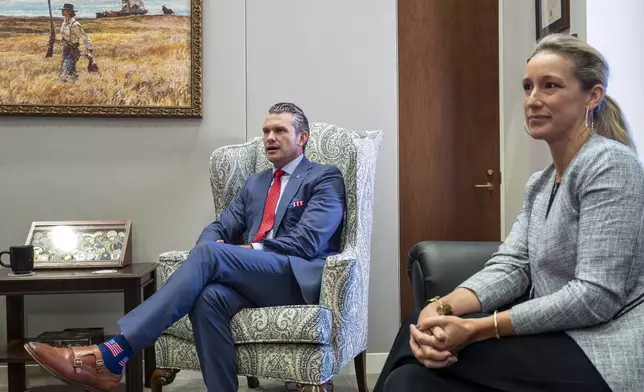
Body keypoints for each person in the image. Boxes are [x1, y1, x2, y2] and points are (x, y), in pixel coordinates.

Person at [374, 33, 644, 392]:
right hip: (554, 334)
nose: (533, 100)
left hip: (603, 346)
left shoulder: (610, 164)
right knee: (412, 371)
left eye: (550, 86)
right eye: (528, 87)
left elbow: (594, 298)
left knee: (423, 357)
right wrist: (441, 308)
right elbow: (512, 265)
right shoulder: (541, 182)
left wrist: (477, 328)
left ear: (591, 96)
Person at [24, 102, 346, 392]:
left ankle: (114, 353)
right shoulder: (256, 183)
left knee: (210, 255)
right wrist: (211, 250)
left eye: (279, 130)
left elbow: (308, 242)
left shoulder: (324, 177)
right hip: (254, 277)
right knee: (207, 298)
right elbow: (219, 227)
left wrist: (244, 252)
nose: (269, 137)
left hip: (293, 277)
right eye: (265, 131)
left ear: (302, 138)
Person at [52, 4, 94, 81]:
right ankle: (74, 87)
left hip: (74, 51)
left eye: (64, 10)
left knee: (64, 73)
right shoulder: (64, 23)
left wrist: (89, 51)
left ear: (69, 12)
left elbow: (85, 38)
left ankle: (62, 86)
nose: (62, 11)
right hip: (65, 50)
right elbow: (64, 40)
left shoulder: (75, 25)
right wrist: (55, 41)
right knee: (71, 72)